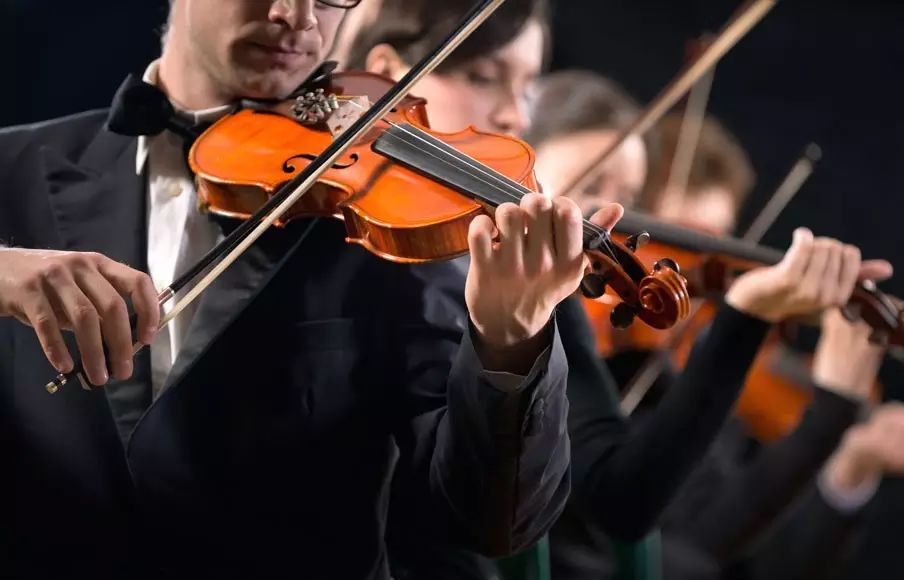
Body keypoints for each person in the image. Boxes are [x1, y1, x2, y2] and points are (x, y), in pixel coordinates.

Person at [0, 1, 624, 577]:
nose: (296, 16)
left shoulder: (386, 211)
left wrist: (510, 339)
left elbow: (487, 521)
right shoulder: (13, 170)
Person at [343, 5, 903, 580]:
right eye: (484, 77)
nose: (511, 112)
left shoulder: (552, 302)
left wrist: (742, 317)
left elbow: (623, 503)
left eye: (630, 195)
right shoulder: (344, 240)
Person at [525, 70, 904, 580]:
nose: (615, 234)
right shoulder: (549, 332)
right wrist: (826, 414)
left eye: (631, 198)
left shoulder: (667, 381)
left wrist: (847, 458)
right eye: (678, 240)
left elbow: (744, 565)